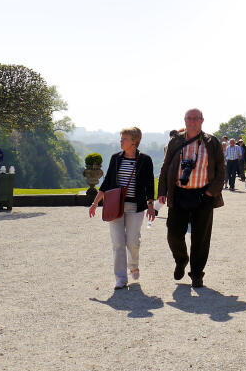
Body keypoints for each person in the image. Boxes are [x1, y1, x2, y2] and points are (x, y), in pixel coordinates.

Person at [157, 109, 225, 288]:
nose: (193, 121)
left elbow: (221, 169)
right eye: (189, 118)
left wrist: (212, 191)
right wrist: (162, 191)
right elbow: (165, 167)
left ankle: (197, 274)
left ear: (202, 120)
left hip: (203, 194)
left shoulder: (211, 142)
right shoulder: (176, 141)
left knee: (200, 238)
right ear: (185, 120)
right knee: (173, 233)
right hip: (179, 193)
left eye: (196, 118)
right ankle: (181, 259)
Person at [88, 127, 156, 289]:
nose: (121, 141)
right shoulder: (115, 158)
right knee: (118, 243)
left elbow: (149, 184)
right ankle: (120, 278)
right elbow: (106, 183)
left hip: (136, 206)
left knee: (132, 241)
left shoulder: (145, 160)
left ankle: (133, 265)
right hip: (115, 205)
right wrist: (95, 202)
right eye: (121, 138)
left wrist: (151, 205)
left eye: (124, 138)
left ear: (134, 141)